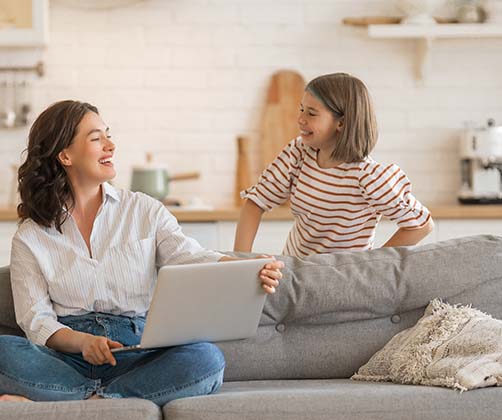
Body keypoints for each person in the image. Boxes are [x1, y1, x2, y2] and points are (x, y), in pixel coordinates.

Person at [0, 100, 284, 405]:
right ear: (65, 155)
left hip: (138, 355)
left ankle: (89, 403)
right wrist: (83, 342)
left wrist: (246, 267)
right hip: (67, 358)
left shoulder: (143, 209)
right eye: (96, 138)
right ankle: (115, 402)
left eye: (108, 135)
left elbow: (190, 257)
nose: (111, 145)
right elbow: (36, 320)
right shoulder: (31, 236)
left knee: (205, 358)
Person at [234, 73, 433, 258]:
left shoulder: (367, 176)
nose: (300, 119)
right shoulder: (299, 153)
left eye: (311, 113)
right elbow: (255, 203)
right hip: (294, 273)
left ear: (341, 123)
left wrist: (372, 265)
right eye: (301, 109)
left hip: (341, 281)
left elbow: (421, 225)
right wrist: (240, 260)